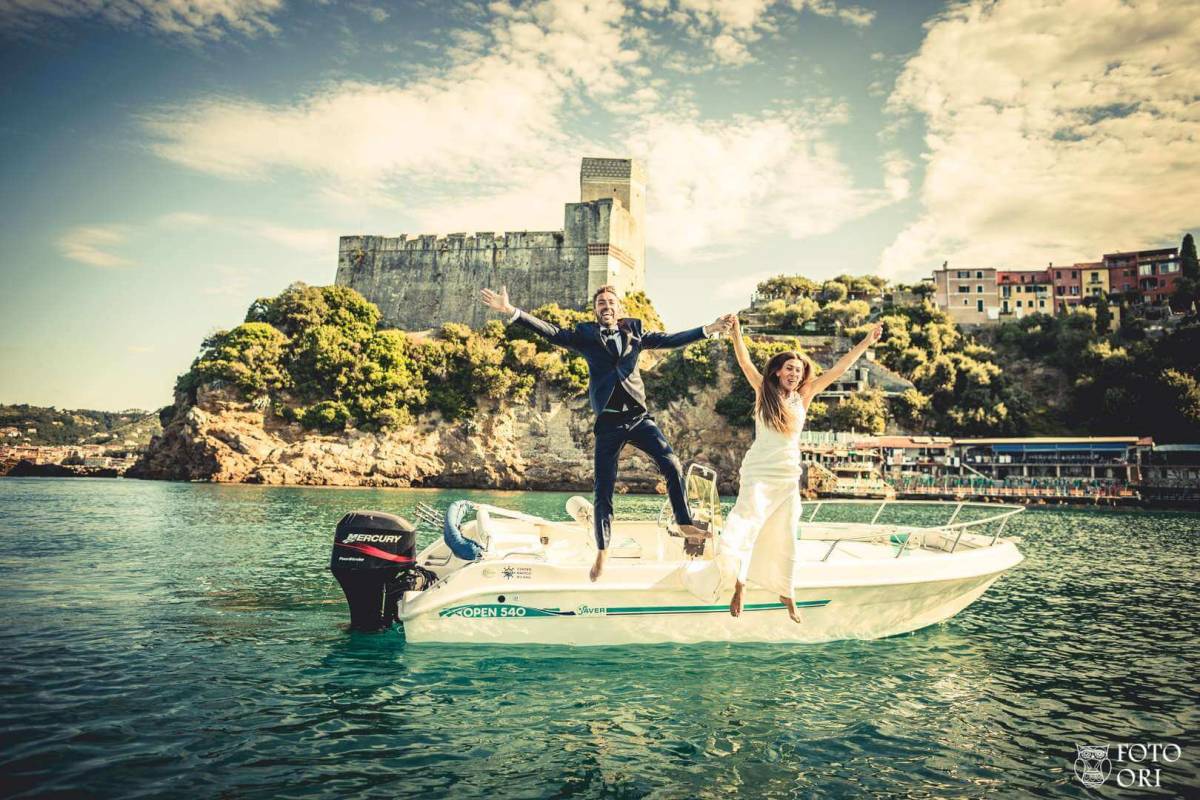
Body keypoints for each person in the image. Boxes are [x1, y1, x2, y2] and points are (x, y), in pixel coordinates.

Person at [480, 284, 733, 581]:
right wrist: (511, 311)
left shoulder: (635, 333)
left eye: (611, 302)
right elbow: (551, 332)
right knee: (603, 488)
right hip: (609, 423)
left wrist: (711, 328)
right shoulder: (585, 337)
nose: (606, 306)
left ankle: (685, 523)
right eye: (601, 303)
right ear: (596, 310)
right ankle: (603, 550)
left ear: (619, 308)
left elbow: (671, 339)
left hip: (639, 418)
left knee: (672, 464)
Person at [724, 315, 883, 622]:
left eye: (799, 370)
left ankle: (786, 591)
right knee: (748, 524)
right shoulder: (763, 391)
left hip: (787, 475)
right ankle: (739, 584)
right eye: (789, 369)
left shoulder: (803, 396)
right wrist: (736, 332)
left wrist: (865, 342)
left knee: (785, 534)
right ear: (777, 371)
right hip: (759, 471)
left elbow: (840, 369)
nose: (794, 374)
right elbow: (744, 362)